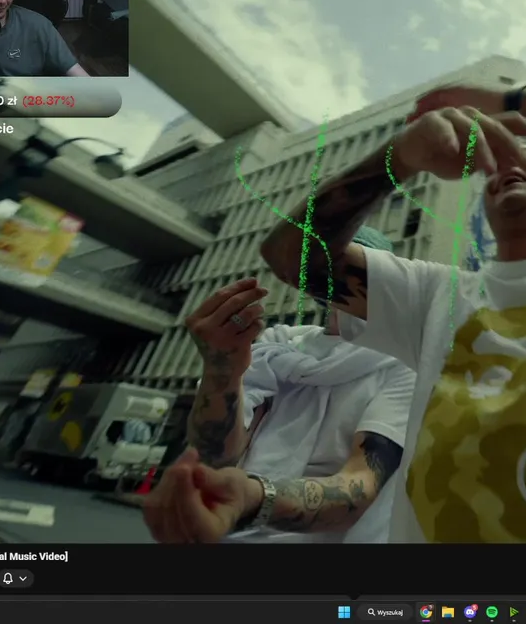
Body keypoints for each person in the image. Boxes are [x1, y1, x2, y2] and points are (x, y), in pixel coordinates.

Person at [145, 64, 526, 544]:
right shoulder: (434, 297)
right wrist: (397, 159)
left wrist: (512, 105)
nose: (509, 165)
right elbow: (289, 255)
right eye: (495, 162)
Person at [143, 227, 416, 544]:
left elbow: (360, 484)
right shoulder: (280, 344)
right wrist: (221, 368)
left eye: (356, 268)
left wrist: (253, 499)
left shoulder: (402, 363)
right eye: (326, 266)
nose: (339, 279)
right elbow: (218, 456)